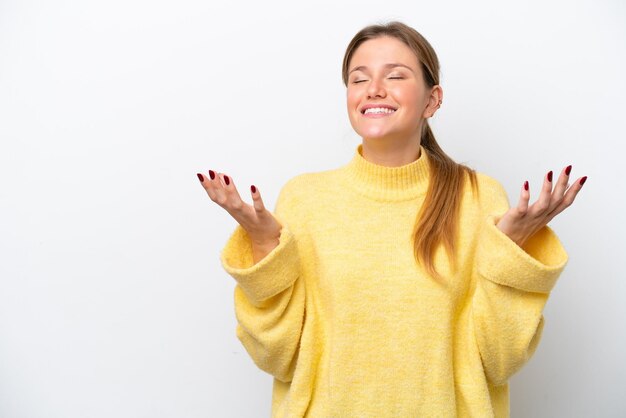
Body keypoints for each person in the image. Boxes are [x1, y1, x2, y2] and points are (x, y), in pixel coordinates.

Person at [197, 20, 586, 418]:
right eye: (358, 79)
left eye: (395, 75)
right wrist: (264, 246)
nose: (373, 90)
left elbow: (501, 361)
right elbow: (276, 358)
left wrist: (511, 252)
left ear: (432, 100)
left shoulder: (479, 197)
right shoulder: (304, 200)